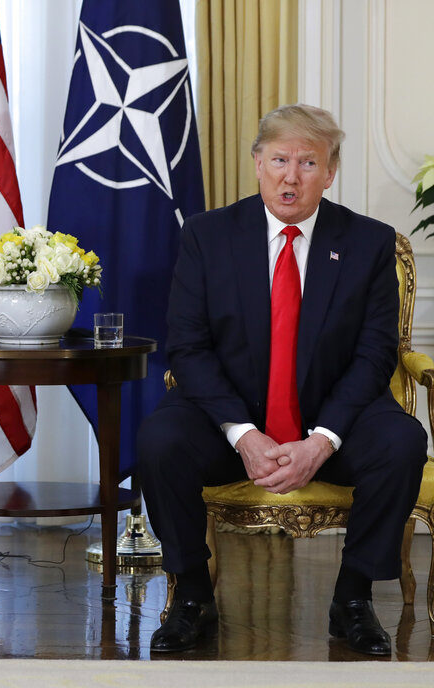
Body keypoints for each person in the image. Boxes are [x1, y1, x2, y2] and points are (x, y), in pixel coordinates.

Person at [137, 104, 427, 657]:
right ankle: (192, 595)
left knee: (402, 441)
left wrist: (323, 441)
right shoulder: (207, 236)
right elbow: (190, 348)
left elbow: (374, 354)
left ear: (330, 172)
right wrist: (244, 434)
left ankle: (353, 597)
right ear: (257, 164)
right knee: (160, 439)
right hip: (231, 421)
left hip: (331, 418)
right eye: (279, 160)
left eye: (308, 163)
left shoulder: (368, 242)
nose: (291, 177)